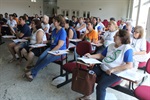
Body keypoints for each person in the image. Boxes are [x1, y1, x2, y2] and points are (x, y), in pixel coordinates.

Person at [79, 29, 133, 100]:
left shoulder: (127, 49)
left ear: (122, 38)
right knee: (89, 74)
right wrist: (90, 56)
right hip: (103, 67)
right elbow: (101, 55)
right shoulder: (111, 45)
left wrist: (113, 69)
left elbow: (129, 65)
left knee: (100, 86)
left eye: (116, 35)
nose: (113, 36)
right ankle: (87, 95)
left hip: (115, 73)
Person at [24, 15, 67, 81]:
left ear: (58, 22)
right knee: (41, 57)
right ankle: (33, 73)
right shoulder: (54, 30)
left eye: (54, 21)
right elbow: (52, 40)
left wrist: (50, 52)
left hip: (60, 51)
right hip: (52, 48)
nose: (53, 23)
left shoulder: (63, 32)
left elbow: (59, 45)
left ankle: (32, 72)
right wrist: (45, 41)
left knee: (47, 58)